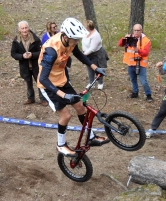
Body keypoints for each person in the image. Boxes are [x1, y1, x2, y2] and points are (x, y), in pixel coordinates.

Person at [37, 17, 109, 157]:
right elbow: (43, 79)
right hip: (48, 86)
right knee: (66, 115)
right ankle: (60, 144)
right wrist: (64, 95)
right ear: (66, 36)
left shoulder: (70, 40)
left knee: (81, 107)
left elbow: (79, 55)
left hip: (62, 80)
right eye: (75, 40)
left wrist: (95, 68)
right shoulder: (52, 50)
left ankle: (91, 136)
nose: (77, 42)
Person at [11, 20, 48, 106]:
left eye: (26, 28)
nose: (24, 30)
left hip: (36, 65)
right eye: (22, 28)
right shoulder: (16, 40)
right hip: (24, 66)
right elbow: (13, 53)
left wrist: (32, 55)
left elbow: (41, 52)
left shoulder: (35, 39)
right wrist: (22, 56)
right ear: (19, 29)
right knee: (28, 83)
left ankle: (43, 99)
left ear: (29, 28)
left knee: (40, 82)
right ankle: (30, 98)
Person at [118, 24, 153, 102]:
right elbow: (120, 44)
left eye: (138, 30)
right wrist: (124, 38)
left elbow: (146, 53)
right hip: (130, 64)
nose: (136, 32)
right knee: (133, 80)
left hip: (141, 64)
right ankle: (135, 92)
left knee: (143, 81)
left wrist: (138, 50)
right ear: (133, 30)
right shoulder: (129, 37)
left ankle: (148, 95)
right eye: (135, 30)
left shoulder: (146, 40)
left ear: (141, 31)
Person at [82, 20, 109, 90]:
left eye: (85, 27)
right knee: (89, 68)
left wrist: (84, 54)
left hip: (96, 54)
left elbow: (92, 48)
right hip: (88, 54)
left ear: (88, 27)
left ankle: (100, 83)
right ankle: (91, 83)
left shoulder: (96, 35)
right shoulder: (86, 33)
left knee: (97, 69)